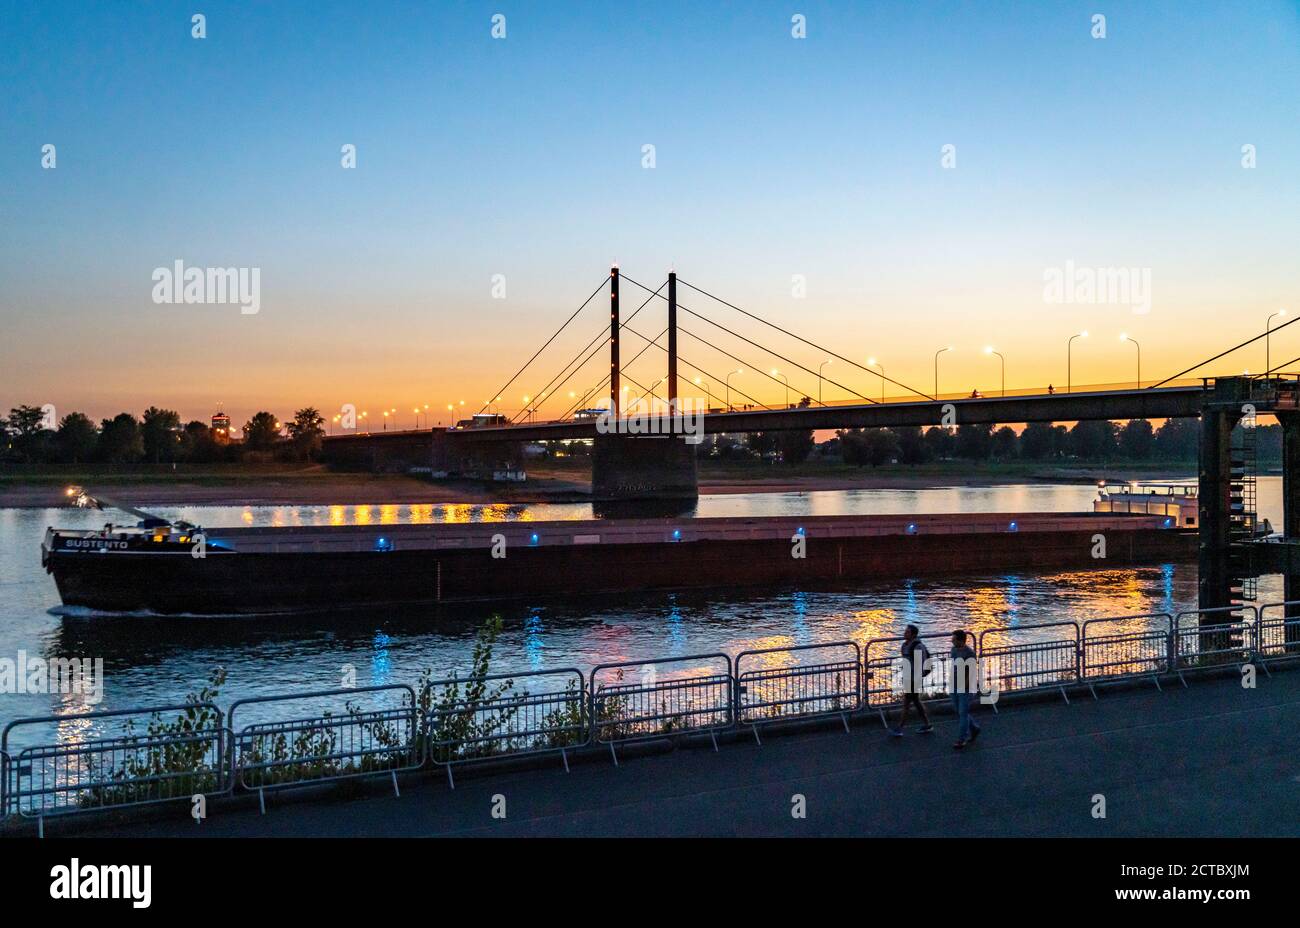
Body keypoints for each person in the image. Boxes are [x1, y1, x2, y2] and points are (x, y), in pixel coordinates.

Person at [890, 625, 933, 736]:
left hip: (914, 678)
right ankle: (927, 724)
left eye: (908, 632)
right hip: (909, 677)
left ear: (913, 634)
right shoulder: (905, 645)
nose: (905, 633)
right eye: (905, 631)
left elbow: (919, 664)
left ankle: (900, 727)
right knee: (915, 701)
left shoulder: (917, 647)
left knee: (907, 702)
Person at [949, 629, 982, 749]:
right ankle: (974, 728)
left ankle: (961, 739)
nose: (952, 641)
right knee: (960, 711)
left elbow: (971, 671)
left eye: (954, 639)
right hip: (955, 684)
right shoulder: (953, 650)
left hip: (966, 687)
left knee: (962, 713)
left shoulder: (970, 653)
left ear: (960, 640)